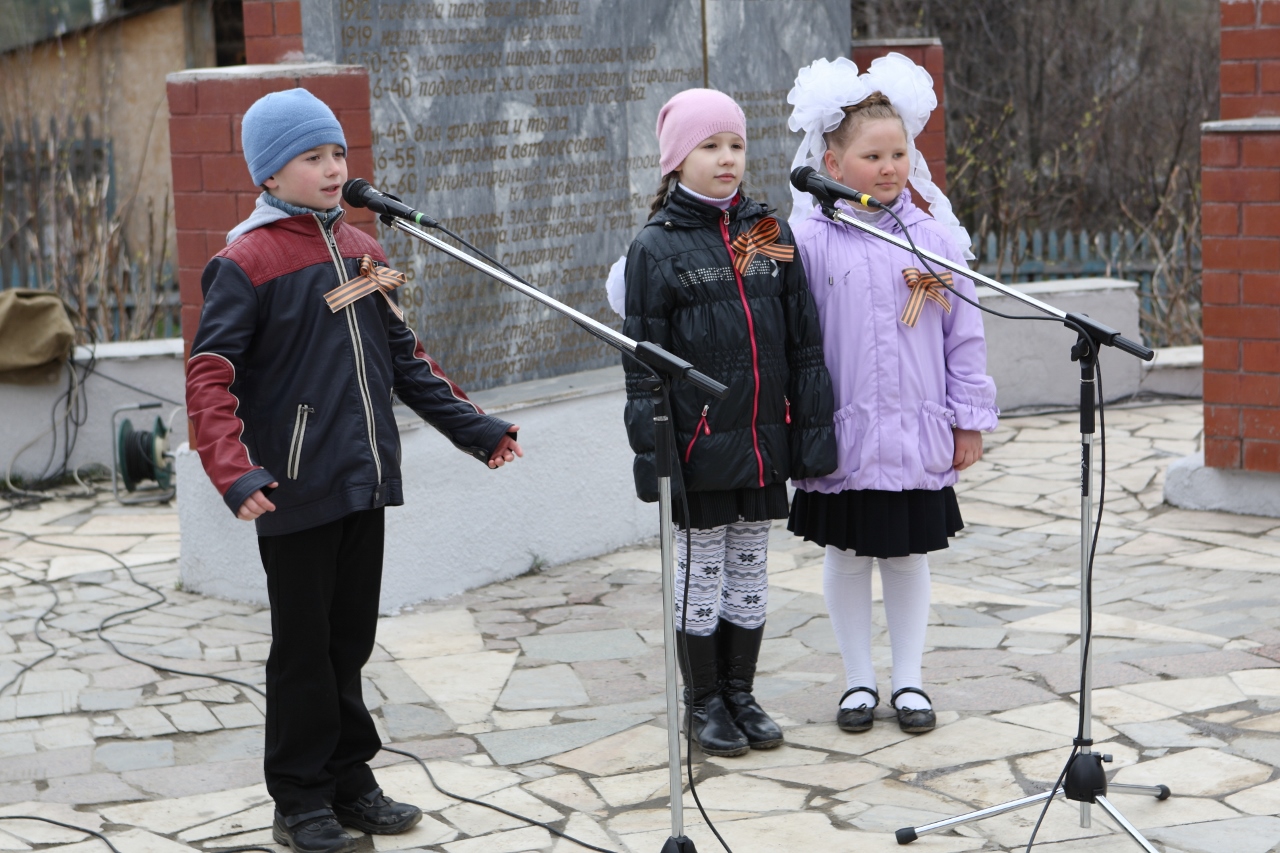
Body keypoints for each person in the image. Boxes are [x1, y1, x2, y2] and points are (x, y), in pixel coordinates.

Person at [186, 88, 522, 853]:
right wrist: (235, 471)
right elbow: (210, 376)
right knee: (303, 650)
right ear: (270, 174)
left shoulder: (366, 249)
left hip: (362, 482)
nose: (334, 167)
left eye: (337, 152)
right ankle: (298, 796)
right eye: (312, 157)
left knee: (348, 642)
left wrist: (477, 430)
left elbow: (407, 360)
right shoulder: (245, 262)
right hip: (294, 487)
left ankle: (348, 779)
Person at [617, 88, 836, 757]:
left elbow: (803, 342)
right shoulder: (655, 248)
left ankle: (741, 692)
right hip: (700, 442)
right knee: (701, 571)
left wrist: (811, 434)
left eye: (735, 144)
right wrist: (656, 454)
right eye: (709, 146)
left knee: (749, 567)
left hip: (764, 438)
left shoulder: (769, 233)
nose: (726, 158)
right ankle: (703, 699)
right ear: (676, 160)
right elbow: (643, 364)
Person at [785, 55, 999, 735]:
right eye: (871, 156)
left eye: (898, 154)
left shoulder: (933, 239)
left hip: (915, 428)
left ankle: (909, 679)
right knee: (847, 553)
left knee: (907, 554)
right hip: (846, 429)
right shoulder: (810, 241)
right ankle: (858, 679)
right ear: (832, 162)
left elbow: (964, 335)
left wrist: (969, 418)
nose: (888, 168)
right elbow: (790, 336)